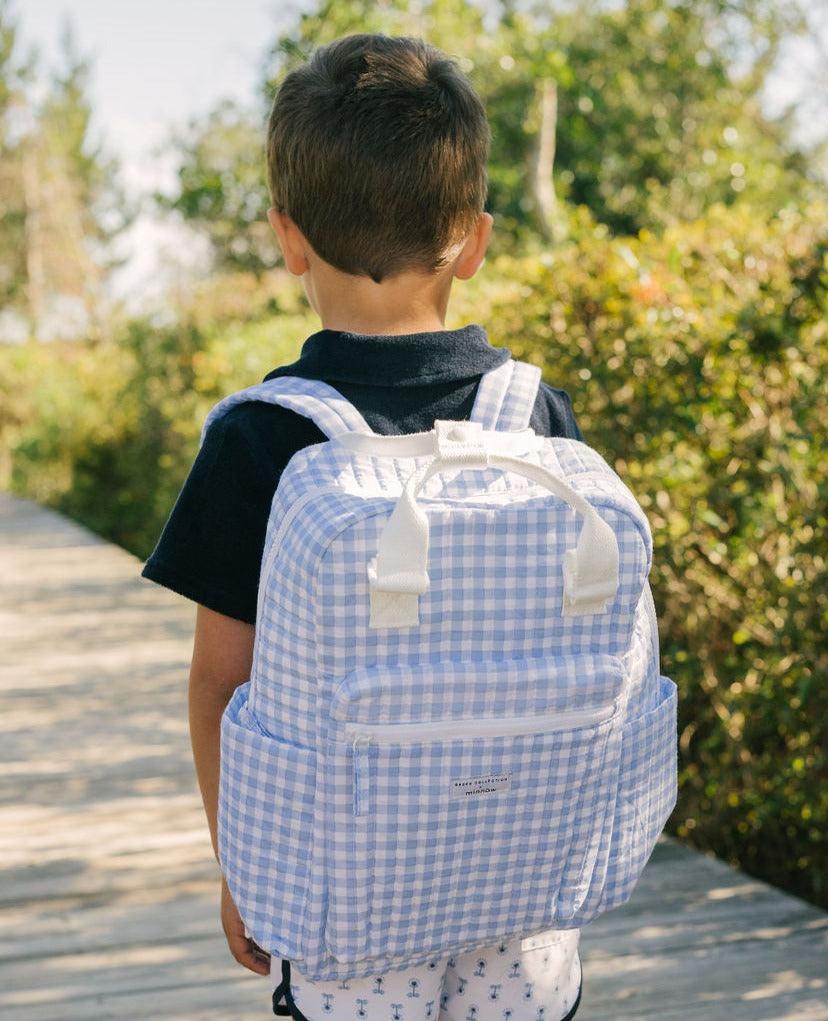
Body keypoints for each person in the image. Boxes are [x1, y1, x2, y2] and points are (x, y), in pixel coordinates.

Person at [141, 32, 586, 1021]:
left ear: (289, 237)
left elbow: (223, 682)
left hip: (344, 891)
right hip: (525, 881)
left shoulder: (261, 437)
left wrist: (245, 869)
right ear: (474, 237)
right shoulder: (534, 415)